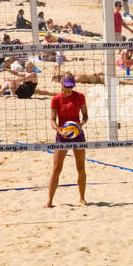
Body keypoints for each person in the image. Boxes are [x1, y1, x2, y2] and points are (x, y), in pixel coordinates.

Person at [47, 75, 88, 208]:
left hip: (77, 135)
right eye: (67, 86)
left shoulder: (80, 96)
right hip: (62, 135)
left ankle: (82, 198)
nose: (69, 89)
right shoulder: (56, 99)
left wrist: (80, 125)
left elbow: (86, 116)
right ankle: (49, 201)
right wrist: (59, 131)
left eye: (71, 86)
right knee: (57, 168)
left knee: (80, 168)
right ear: (61, 84)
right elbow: (52, 120)